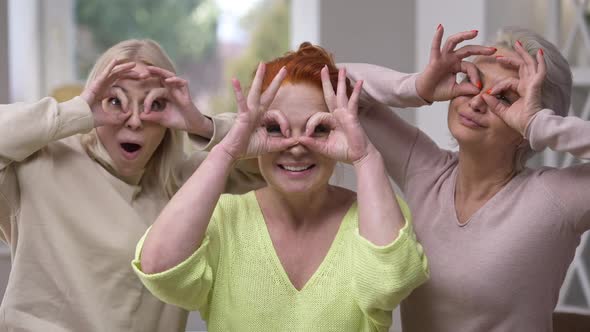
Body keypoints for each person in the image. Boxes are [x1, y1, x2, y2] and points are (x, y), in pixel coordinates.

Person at [132, 43, 430, 331]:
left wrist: (365, 156)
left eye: (319, 128)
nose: (297, 147)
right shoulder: (224, 219)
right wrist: (227, 151)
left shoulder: (372, 217)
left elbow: (392, 281)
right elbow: (159, 268)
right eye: (275, 128)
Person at [0, 39, 262, 332]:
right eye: (116, 101)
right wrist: (77, 112)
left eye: (156, 104)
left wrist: (201, 124)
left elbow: (273, 154)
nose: (135, 120)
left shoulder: (187, 184)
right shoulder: (40, 165)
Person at [345, 26, 584, 331]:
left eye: (506, 97)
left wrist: (542, 125)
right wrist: (417, 86)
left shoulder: (558, 199)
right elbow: (324, 78)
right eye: (472, 81)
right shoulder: (424, 169)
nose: (477, 101)